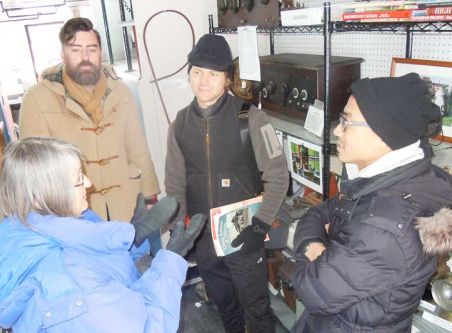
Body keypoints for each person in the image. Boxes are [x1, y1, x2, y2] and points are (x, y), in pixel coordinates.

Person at [0, 137, 205, 333]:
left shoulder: (30, 227)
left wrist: (133, 241)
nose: (89, 183)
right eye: (78, 181)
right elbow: (148, 326)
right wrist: (171, 262)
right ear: (40, 196)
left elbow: (94, 263)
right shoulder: (72, 286)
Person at [291, 73, 452, 333]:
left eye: (346, 122)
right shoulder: (381, 179)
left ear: (383, 134)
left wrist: (314, 247)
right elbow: (320, 212)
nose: (336, 130)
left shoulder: (384, 227)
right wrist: (316, 247)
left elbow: (309, 288)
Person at [165, 34, 289, 333]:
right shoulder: (179, 124)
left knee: (257, 309)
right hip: (204, 239)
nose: (202, 81)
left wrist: (260, 226)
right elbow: (175, 184)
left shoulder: (252, 119)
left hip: (244, 236)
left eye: (212, 74)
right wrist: (179, 231)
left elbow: (278, 176)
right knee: (225, 307)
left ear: (227, 79)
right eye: (196, 72)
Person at [19, 17, 159, 221]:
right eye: (76, 50)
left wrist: (149, 194)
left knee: (141, 252)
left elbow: (137, 147)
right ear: (63, 54)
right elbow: (36, 171)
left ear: (100, 54)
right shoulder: (37, 100)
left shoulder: (120, 91)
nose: (85, 57)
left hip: (126, 204)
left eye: (92, 49)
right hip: (73, 214)